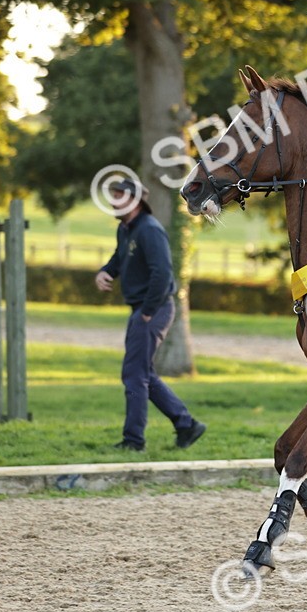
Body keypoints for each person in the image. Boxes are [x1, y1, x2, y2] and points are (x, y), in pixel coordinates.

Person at [95, 179, 205, 451]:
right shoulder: (126, 229)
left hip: (152, 309)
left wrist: (147, 311)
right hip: (144, 309)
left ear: (135, 201)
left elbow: (163, 274)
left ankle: (134, 441)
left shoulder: (149, 230)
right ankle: (186, 425)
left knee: (134, 374)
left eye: (119, 195)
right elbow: (119, 257)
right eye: (113, 195)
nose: (113, 201)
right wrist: (106, 271)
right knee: (143, 373)